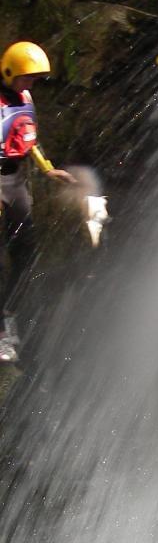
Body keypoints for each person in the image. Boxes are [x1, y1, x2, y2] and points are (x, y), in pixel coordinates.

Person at [0, 41, 76, 362]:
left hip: (17, 180)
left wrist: (48, 169)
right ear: (9, 72)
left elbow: (27, 138)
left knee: (25, 253)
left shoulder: (26, 98)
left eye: (35, 78)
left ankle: (9, 317)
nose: (31, 83)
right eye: (26, 77)